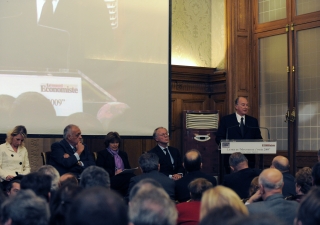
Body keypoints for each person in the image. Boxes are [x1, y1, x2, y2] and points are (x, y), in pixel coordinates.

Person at [215, 97, 262, 172]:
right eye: (243, 105)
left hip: (248, 160)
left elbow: (258, 138)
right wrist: (229, 145)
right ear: (236, 106)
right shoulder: (226, 120)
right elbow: (219, 138)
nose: (246, 107)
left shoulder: (253, 121)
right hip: (231, 160)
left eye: (247, 105)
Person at [96, 131, 135, 196]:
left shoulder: (123, 154)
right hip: (111, 178)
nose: (115, 145)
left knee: (133, 179)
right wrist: (114, 172)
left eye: (117, 142)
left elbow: (128, 167)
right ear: (108, 143)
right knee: (131, 180)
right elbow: (100, 169)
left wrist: (128, 171)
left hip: (124, 177)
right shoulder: (102, 154)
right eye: (112, 143)